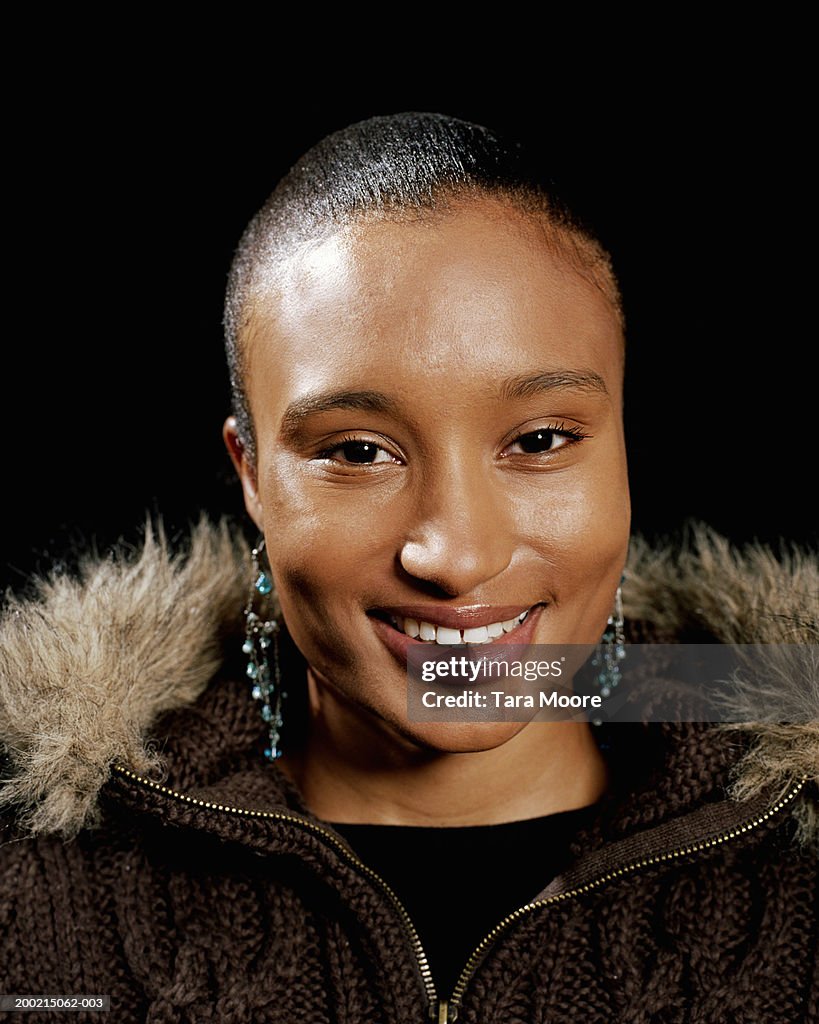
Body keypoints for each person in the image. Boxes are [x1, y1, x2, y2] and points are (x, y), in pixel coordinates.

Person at [0, 112, 816, 1024]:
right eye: (356, 451)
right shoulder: (28, 893)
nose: (457, 556)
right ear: (252, 478)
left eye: (540, 440)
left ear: (624, 447)